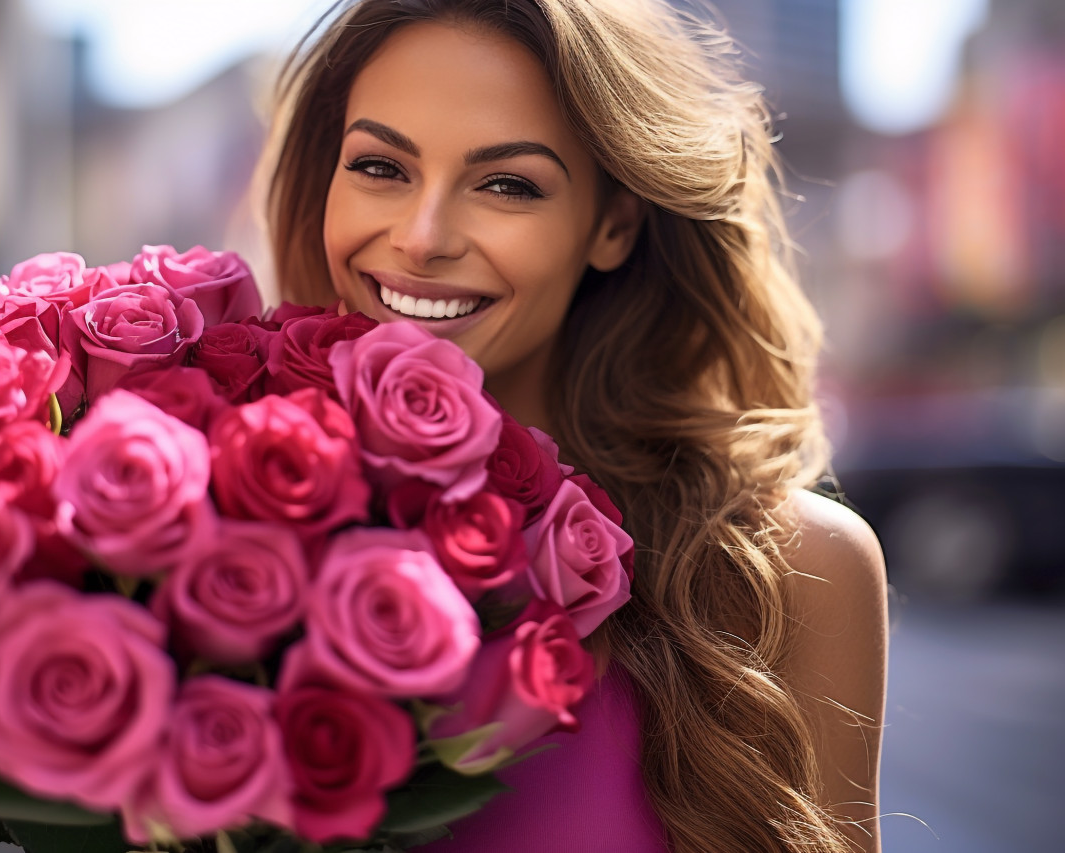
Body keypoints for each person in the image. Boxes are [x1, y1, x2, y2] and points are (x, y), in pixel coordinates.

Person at [262, 1, 889, 851]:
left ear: (611, 224)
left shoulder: (792, 574)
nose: (421, 238)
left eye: (507, 184)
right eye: (380, 166)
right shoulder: (216, 525)